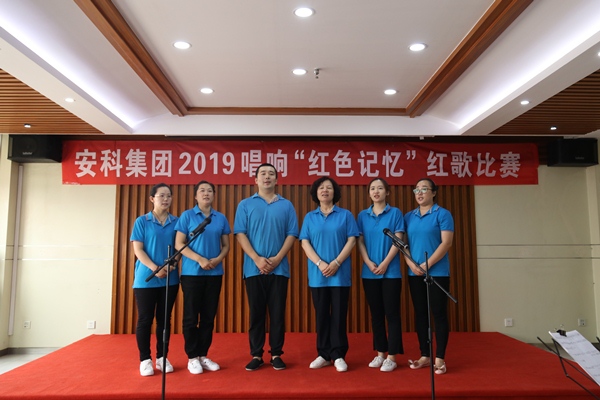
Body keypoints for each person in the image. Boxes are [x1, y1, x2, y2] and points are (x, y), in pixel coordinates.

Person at [233, 163, 299, 371]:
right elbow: (240, 233)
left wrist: (278, 259)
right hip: (253, 268)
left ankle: (276, 354)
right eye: (263, 174)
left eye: (271, 174)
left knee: (278, 314)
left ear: (277, 180)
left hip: (279, 268)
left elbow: (292, 234)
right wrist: (256, 259)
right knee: (256, 313)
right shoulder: (245, 204)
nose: (267, 177)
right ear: (256, 180)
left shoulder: (286, 205)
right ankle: (256, 355)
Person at [300, 177, 359, 372]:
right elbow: (305, 242)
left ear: (335, 192)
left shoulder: (345, 215)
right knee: (322, 315)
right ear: (316, 193)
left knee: (339, 316)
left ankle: (338, 354)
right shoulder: (310, 217)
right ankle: (324, 354)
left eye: (329, 187)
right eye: (321, 188)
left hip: (340, 275)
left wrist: (336, 262)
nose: (325, 190)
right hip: (318, 276)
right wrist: (320, 263)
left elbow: (352, 240)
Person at [174, 180, 231, 375]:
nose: (206, 193)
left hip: (214, 273)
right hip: (192, 274)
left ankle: (203, 354)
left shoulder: (220, 218)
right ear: (195, 196)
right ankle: (192, 357)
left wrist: (218, 259)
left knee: (208, 317)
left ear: (214, 195)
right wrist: (199, 259)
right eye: (202, 191)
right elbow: (179, 243)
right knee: (191, 317)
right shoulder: (187, 216)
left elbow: (226, 246)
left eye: (209, 191)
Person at [403, 178, 454, 375]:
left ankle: (440, 358)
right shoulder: (409, 216)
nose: (420, 193)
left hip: (437, 272)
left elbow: (446, 243)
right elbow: (403, 244)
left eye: (424, 189)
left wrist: (427, 265)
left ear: (433, 193)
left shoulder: (442, 214)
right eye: (417, 190)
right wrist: (410, 263)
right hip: (414, 272)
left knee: (438, 313)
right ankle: (425, 355)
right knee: (421, 313)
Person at [130, 183, 180, 377]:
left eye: (169, 196)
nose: (166, 199)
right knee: (145, 319)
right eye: (161, 195)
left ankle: (162, 357)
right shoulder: (142, 221)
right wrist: (154, 268)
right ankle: (145, 359)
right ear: (152, 199)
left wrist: (173, 264)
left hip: (170, 278)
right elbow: (138, 249)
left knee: (164, 320)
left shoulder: (177, 222)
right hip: (146, 278)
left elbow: (180, 247)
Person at [356, 177, 405, 372]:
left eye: (380, 188)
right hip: (369, 273)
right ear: (369, 193)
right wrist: (368, 262)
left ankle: (392, 356)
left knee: (392, 314)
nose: (376, 191)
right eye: (372, 189)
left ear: (387, 192)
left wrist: (385, 263)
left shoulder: (395, 213)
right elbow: (359, 241)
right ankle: (380, 353)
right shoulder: (362, 215)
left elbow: (398, 240)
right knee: (376, 315)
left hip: (390, 272)